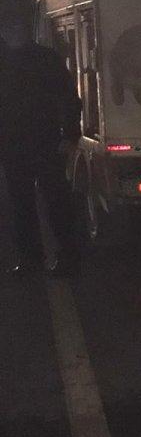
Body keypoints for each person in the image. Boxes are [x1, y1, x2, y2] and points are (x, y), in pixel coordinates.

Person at [0, 15, 82, 277]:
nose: (12, 31)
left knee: (55, 201)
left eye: (15, 26)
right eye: (8, 27)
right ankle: (31, 260)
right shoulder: (36, 58)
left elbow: (69, 97)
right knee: (21, 205)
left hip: (44, 141)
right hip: (15, 143)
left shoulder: (46, 59)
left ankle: (67, 258)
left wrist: (71, 135)